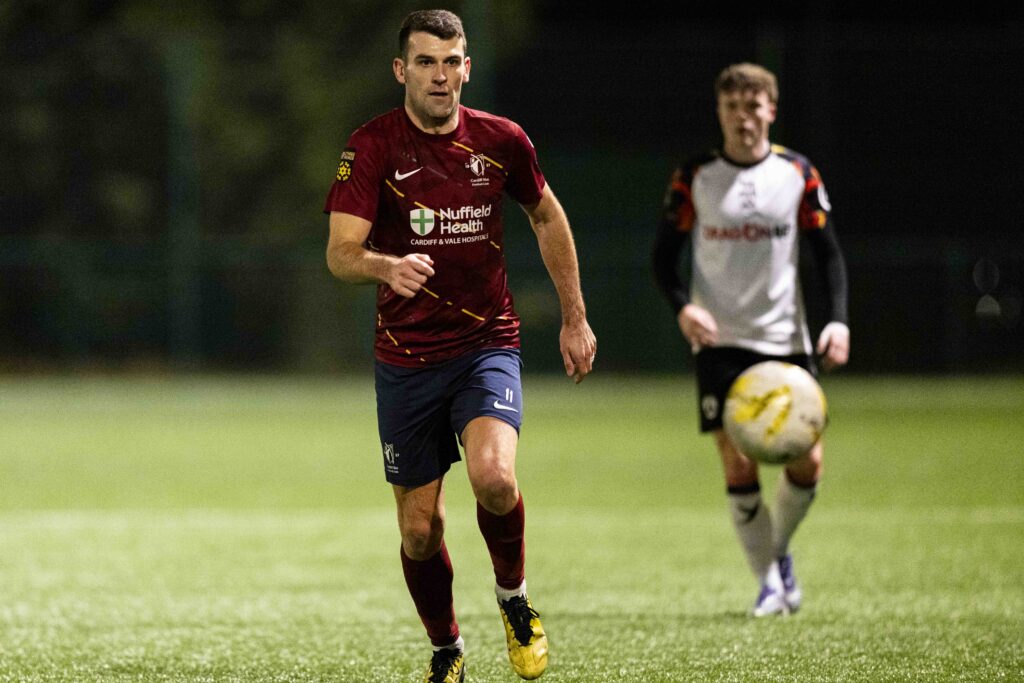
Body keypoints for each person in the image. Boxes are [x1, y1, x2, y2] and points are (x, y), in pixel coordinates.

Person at [324, 9, 596, 682]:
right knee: (420, 531)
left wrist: (574, 317)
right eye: (426, 62)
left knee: (495, 479)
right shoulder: (372, 147)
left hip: (485, 345)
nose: (441, 76)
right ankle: (447, 648)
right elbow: (339, 253)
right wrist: (385, 265)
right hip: (406, 358)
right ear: (401, 71)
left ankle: (515, 601)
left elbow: (546, 214)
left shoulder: (502, 141)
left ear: (467, 67)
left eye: (452, 61)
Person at [652, 63, 850, 617]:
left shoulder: (797, 173)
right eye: (732, 106)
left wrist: (838, 320)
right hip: (721, 340)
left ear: (771, 110)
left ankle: (776, 553)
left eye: (753, 106)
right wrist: (684, 308)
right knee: (738, 462)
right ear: (720, 112)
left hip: (786, 338)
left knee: (807, 461)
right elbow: (663, 257)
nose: (743, 117)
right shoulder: (696, 175)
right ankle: (768, 582)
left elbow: (827, 253)